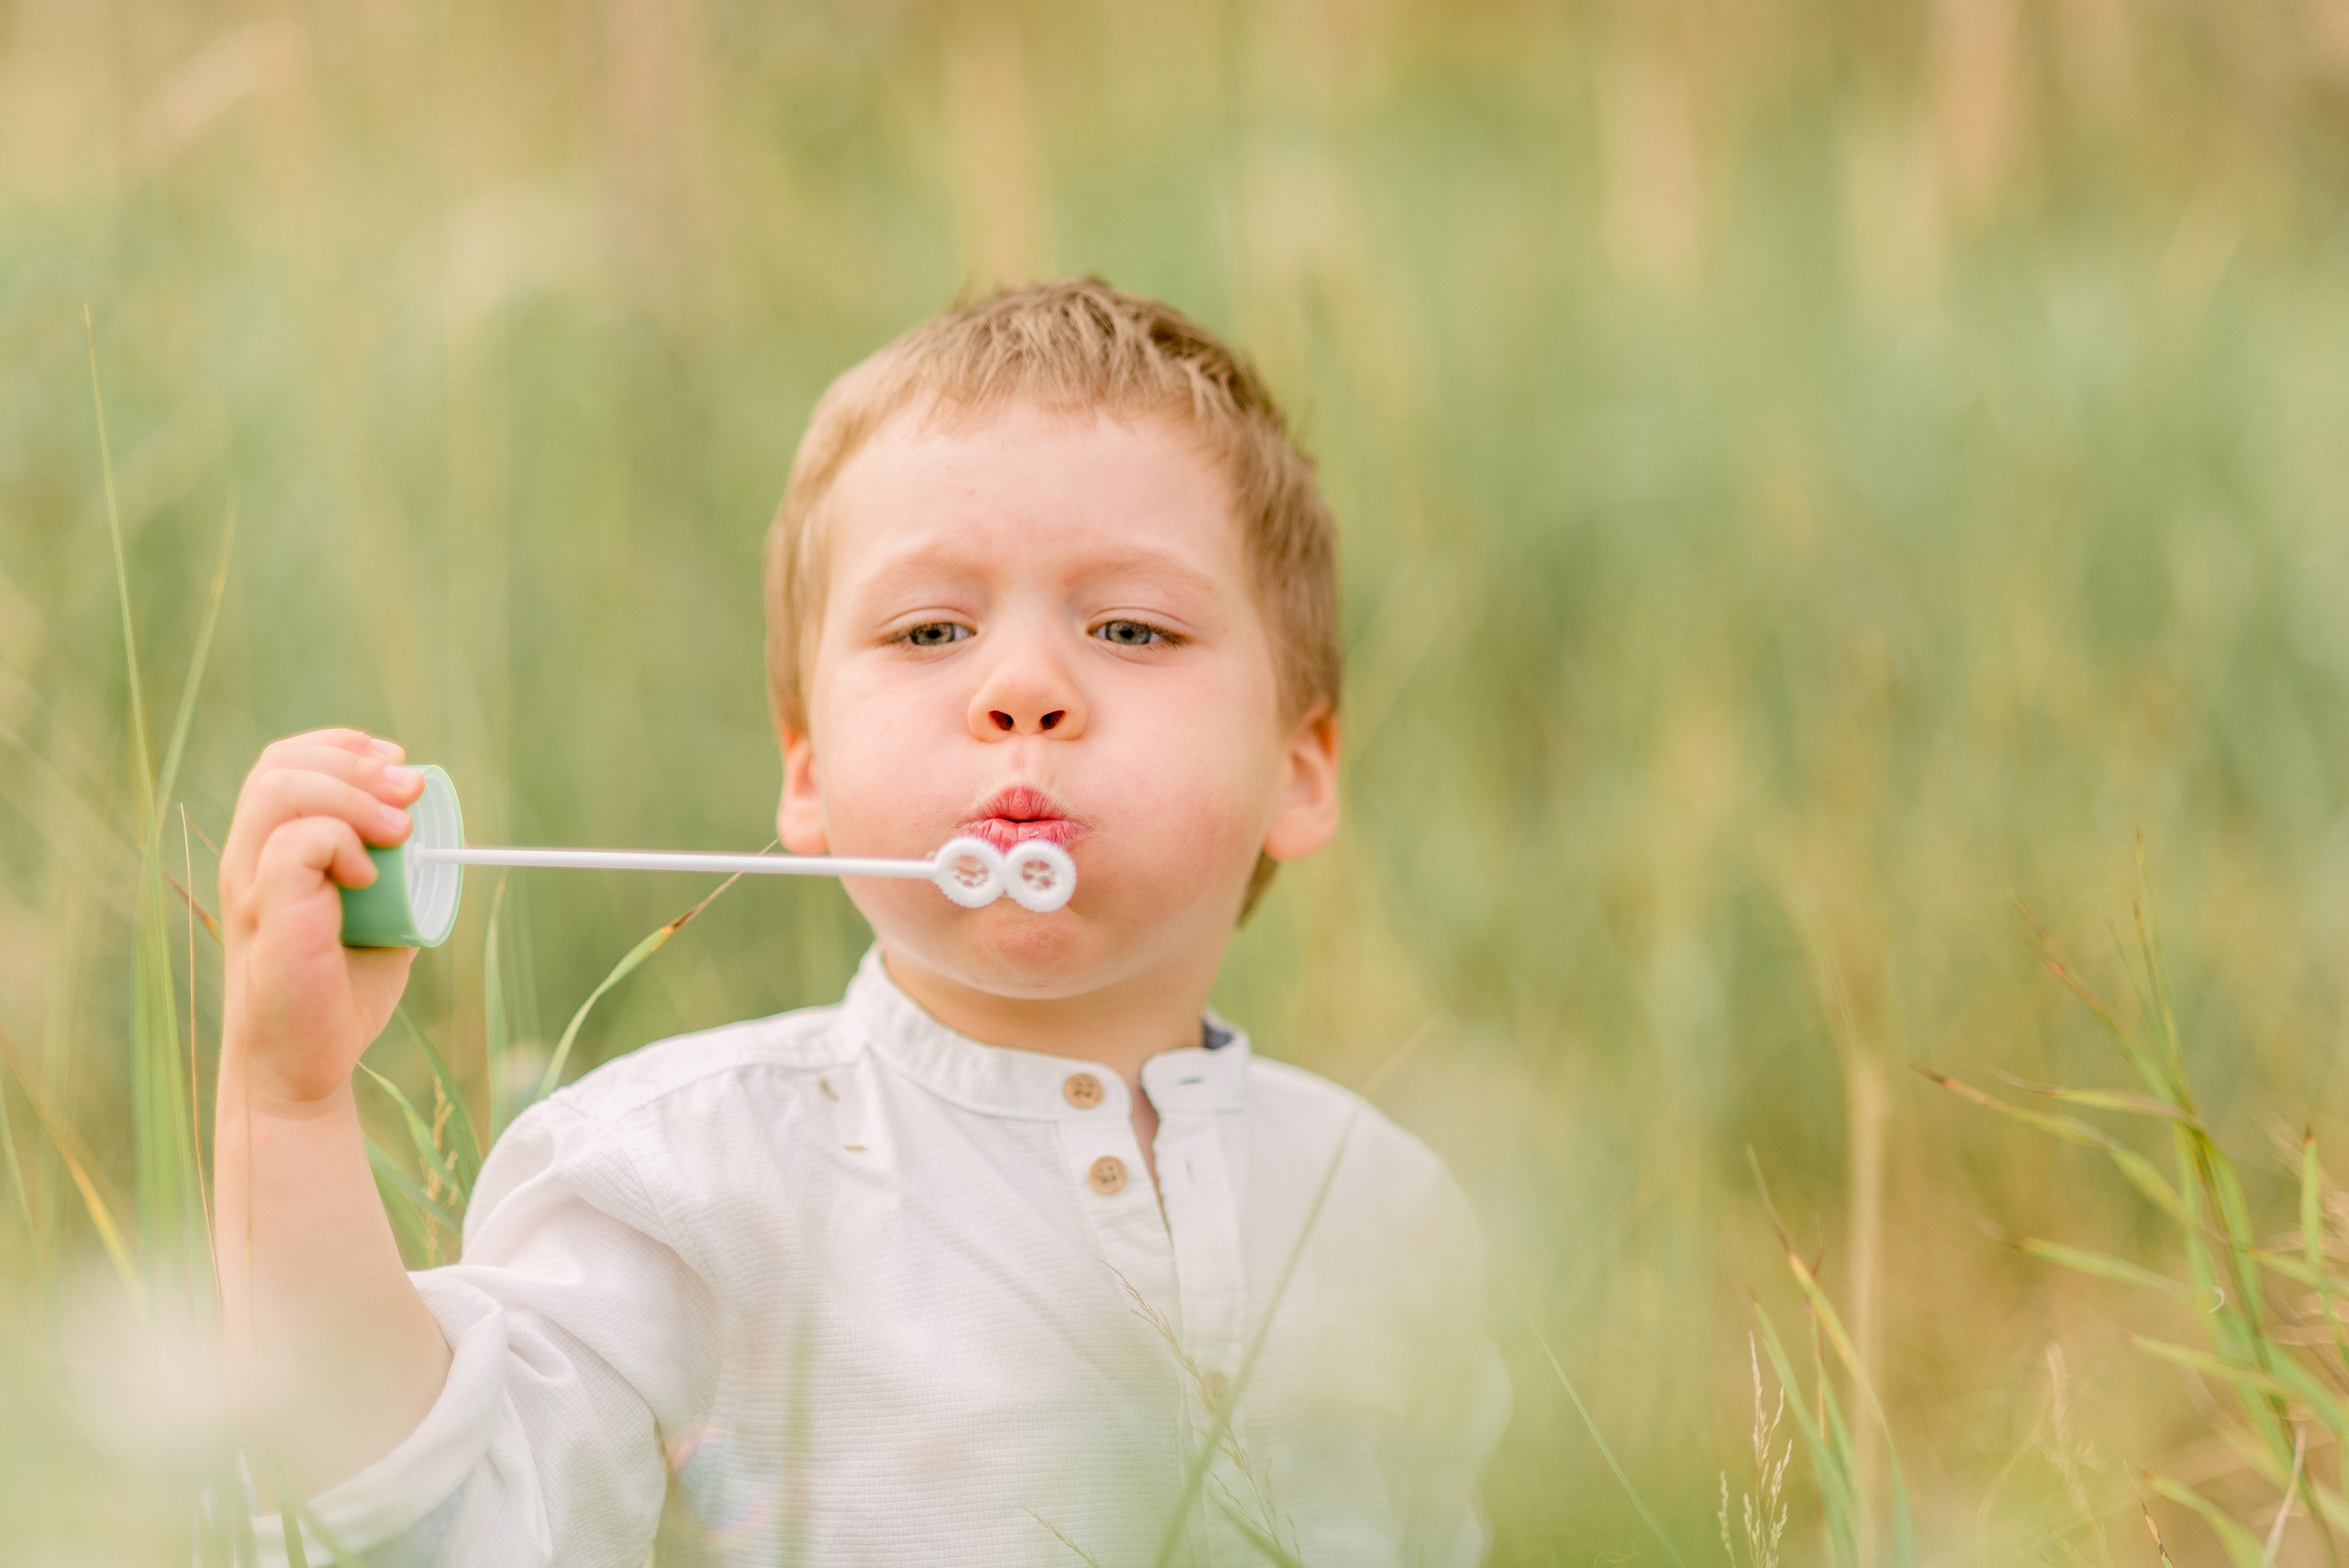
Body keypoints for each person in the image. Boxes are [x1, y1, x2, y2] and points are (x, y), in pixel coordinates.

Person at [215, 278, 1510, 1566]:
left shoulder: (1391, 1211)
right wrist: (287, 1104)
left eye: (1130, 625)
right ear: (809, 775)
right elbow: (429, 1529)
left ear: (1300, 766)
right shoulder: (682, 1181)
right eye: (931, 627)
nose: (1022, 689)